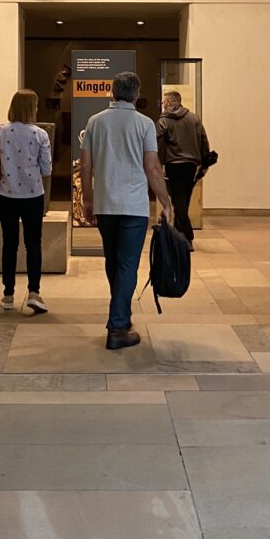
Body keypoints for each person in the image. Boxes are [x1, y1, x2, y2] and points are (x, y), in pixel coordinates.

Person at [80, 71, 173, 350]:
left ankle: (122, 313)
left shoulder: (95, 121)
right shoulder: (144, 124)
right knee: (127, 263)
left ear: (112, 91)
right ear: (136, 94)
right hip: (133, 205)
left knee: (113, 261)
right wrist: (166, 202)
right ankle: (118, 326)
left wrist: (87, 200)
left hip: (105, 203)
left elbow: (85, 165)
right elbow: (152, 168)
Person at [0, 89, 53, 313]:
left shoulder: (1, 132)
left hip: (7, 196)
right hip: (33, 195)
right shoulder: (40, 134)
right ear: (32, 108)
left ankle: (8, 294)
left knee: (9, 244)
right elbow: (47, 169)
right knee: (34, 244)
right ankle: (34, 292)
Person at [157, 90, 210, 249]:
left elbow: (159, 144)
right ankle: (179, 236)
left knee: (179, 202)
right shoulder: (194, 118)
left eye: (163, 102)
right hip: (191, 166)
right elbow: (203, 141)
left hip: (173, 165)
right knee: (183, 201)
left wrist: (158, 164)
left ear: (168, 102)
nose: (163, 105)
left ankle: (187, 237)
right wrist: (204, 164)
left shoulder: (163, 121)